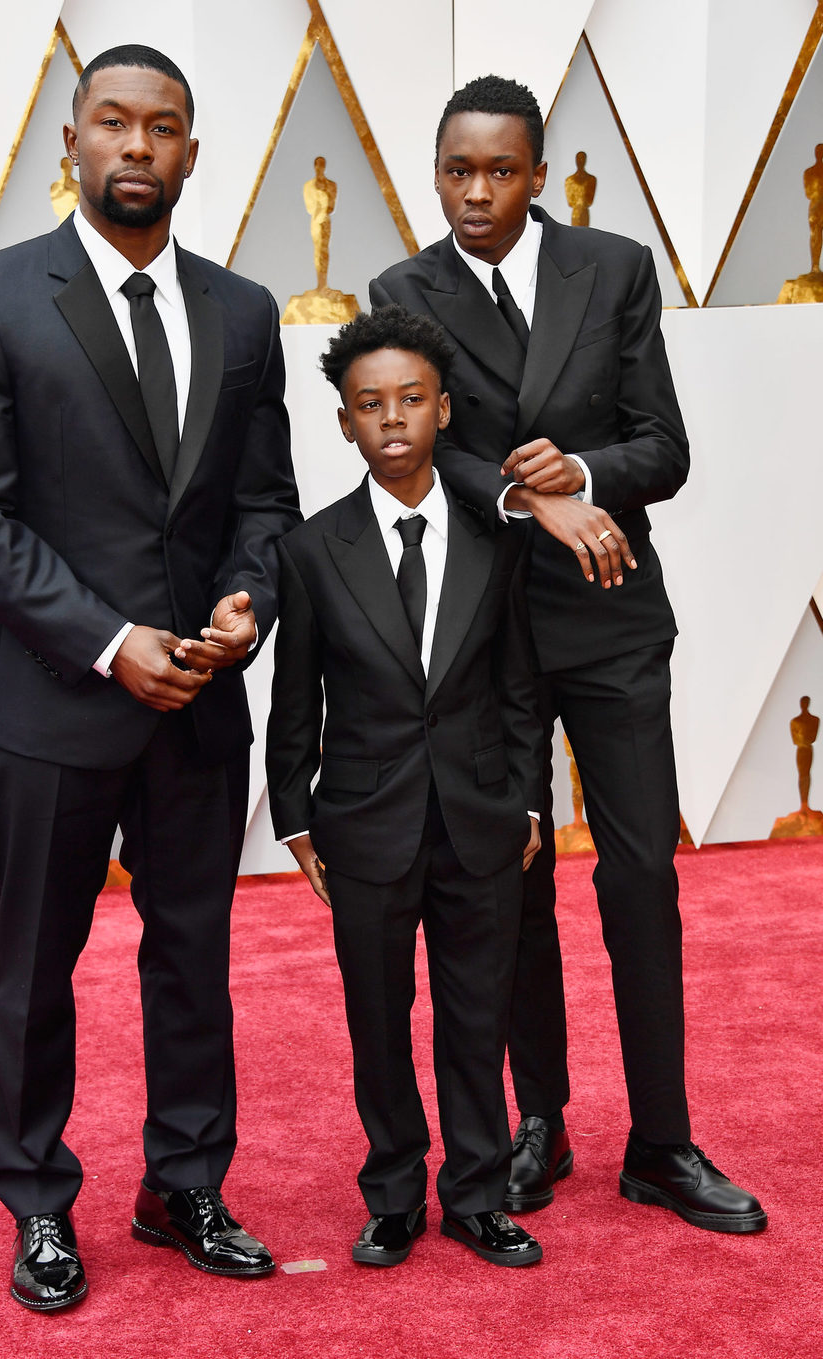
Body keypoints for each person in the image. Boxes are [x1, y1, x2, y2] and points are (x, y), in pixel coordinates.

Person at [0, 45, 301, 1310]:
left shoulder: (245, 314)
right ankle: (37, 1204)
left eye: (164, 128)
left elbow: (265, 501)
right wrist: (103, 640)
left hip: (199, 702)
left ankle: (185, 1180)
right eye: (114, 124)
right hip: (47, 701)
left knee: (193, 955)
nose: (138, 146)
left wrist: (250, 605)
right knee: (35, 963)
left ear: (193, 152)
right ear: (70, 145)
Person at [370, 75, 766, 1234]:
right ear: (434, 172)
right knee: (512, 878)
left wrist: (584, 478)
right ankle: (539, 1120)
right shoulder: (407, 289)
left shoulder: (617, 269)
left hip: (611, 615)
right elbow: (421, 458)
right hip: (487, 628)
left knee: (642, 869)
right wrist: (526, 500)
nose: (476, 192)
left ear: (541, 174)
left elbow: (666, 448)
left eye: (500, 170)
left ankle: (664, 1141)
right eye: (457, 170)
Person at [266, 305, 545, 1269]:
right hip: (363, 826)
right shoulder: (310, 551)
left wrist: (531, 804)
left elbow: (519, 688)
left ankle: (474, 1193)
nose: (393, 419)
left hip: (479, 826)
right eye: (370, 404)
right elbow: (294, 699)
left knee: (477, 1014)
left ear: (445, 410)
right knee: (378, 1020)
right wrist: (295, 820)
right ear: (344, 422)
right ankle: (393, 1192)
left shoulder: (496, 541)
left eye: (412, 400)